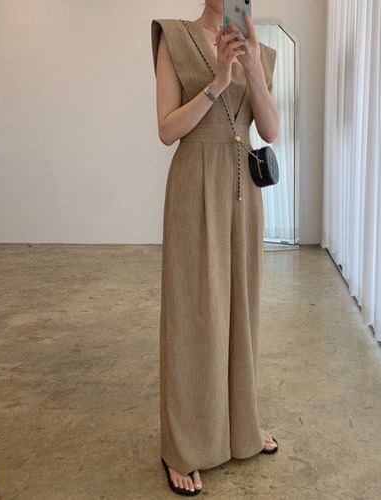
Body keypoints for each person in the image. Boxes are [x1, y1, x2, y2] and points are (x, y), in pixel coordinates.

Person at [151, 0, 279, 495]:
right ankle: (183, 445)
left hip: (242, 192)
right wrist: (218, 81)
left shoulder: (261, 50)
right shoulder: (174, 37)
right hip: (194, 184)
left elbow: (270, 130)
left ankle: (242, 426)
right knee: (194, 314)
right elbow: (167, 130)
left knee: (241, 312)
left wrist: (252, 68)